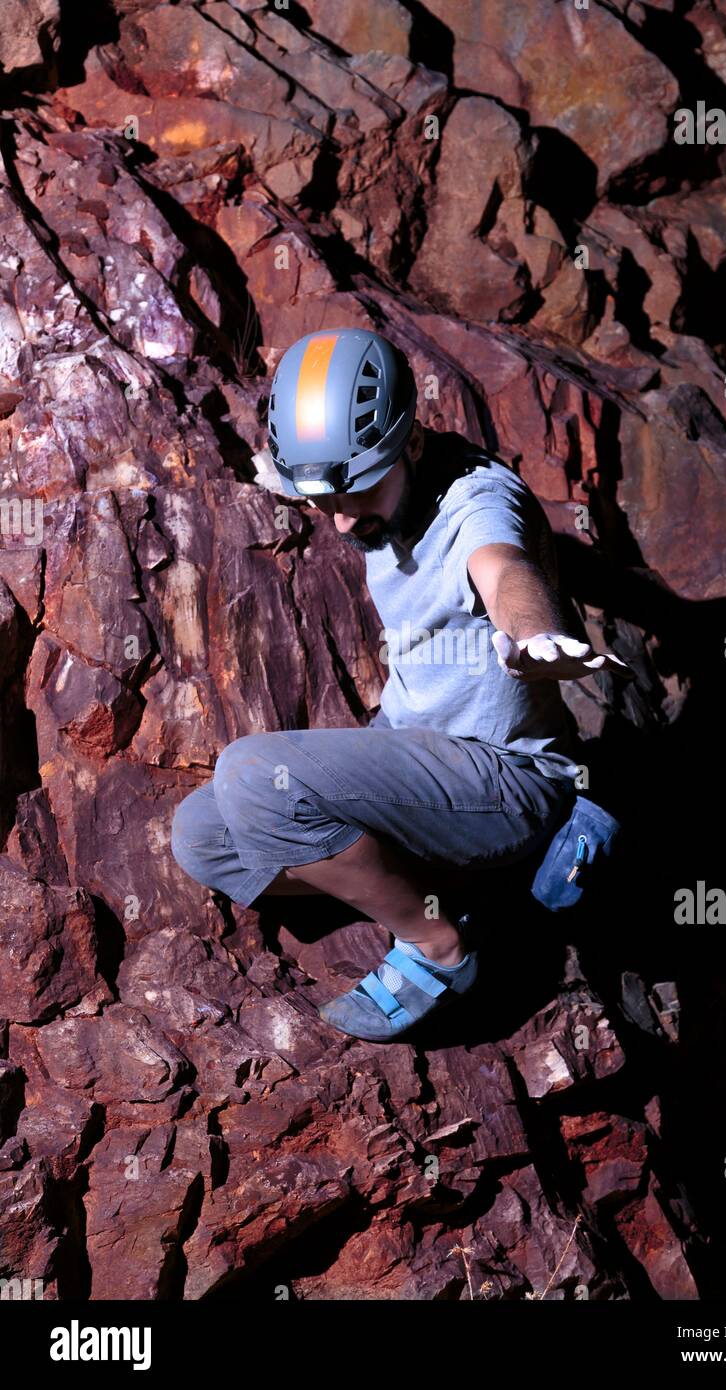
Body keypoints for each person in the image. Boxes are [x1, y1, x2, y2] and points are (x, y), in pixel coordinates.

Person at [171, 328, 632, 1041]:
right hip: (418, 747)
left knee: (256, 776)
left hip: (506, 777)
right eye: (326, 502)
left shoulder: (478, 502)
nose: (345, 519)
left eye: (358, 493)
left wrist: (534, 636)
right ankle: (446, 885)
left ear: (412, 443)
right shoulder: (366, 479)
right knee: (201, 836)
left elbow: (504, 566)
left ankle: (440, 944)